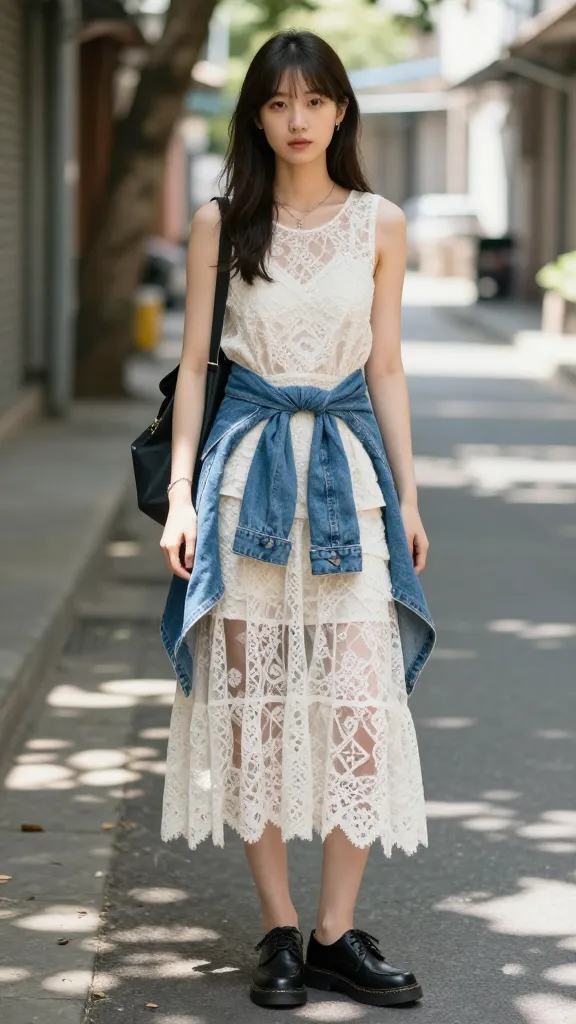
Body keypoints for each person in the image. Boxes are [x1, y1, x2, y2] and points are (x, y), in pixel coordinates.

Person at [158, 29, 435, 1011]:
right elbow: (195, 368)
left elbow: (386, 367)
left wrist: (406, 494)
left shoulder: (381, 223)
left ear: (342, 109)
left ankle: (333, 932)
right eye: (277, 104)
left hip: (348, 486)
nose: (297, 121)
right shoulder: (222, 220)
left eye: (314, 101)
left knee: (361, 705)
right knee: (256, 710)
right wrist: (183, 493)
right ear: (257, 117)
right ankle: (279, 925)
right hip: (244, 485)